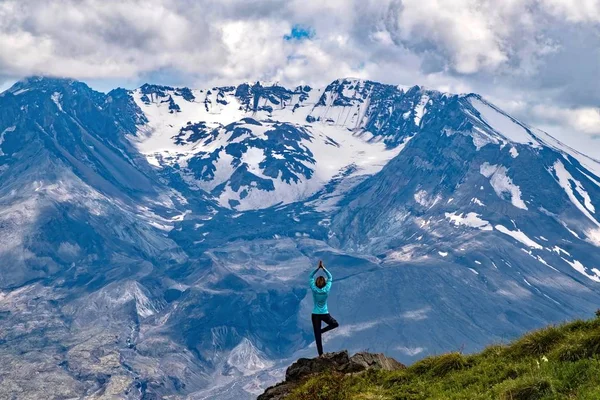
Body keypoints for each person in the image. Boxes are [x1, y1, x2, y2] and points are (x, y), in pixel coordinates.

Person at [309, 260, 339, 357]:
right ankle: (322, 331)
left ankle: (321, 355)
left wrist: (317, 269)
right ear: (325, 283)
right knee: (335, 324)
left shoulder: (314, 289)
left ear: (316, 283)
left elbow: (310, 277)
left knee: (318, 336)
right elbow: (330, 277)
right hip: (325, 313)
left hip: (315, 315)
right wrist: (323, 268)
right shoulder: (326, 289)